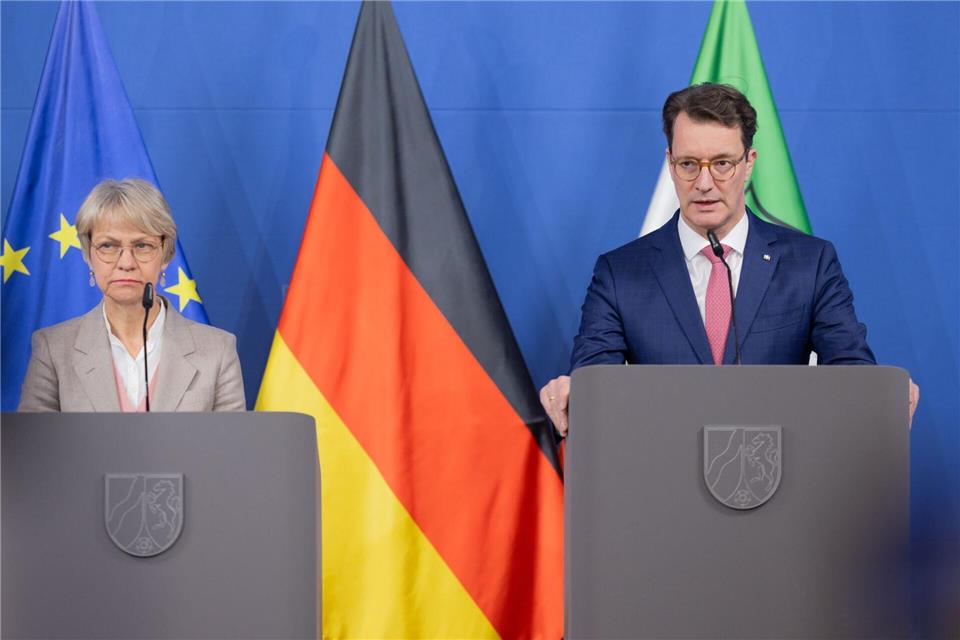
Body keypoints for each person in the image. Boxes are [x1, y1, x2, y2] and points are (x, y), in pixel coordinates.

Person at [540, 83, 918, 435]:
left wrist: (881, 395)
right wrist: (575, 394)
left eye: (722, 163)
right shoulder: (620, 273)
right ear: (670, 163)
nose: (704, 183)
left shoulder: (811, 263)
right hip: (662, 485)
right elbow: (595, 383)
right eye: (689, 164)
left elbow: (851, 372)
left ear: (748, 163)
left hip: (780, 480)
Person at [18, 178, 245, 412]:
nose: (126, 263)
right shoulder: (53, 349)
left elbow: (230, 448)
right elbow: (36, 447)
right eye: (108, 246)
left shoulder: (218, 351)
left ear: (166, 256)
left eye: (142, 246)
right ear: (88, 256)